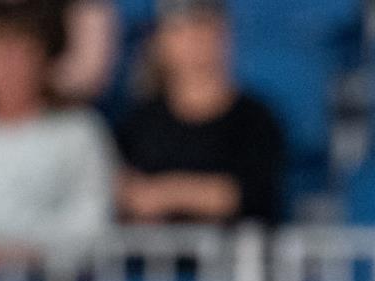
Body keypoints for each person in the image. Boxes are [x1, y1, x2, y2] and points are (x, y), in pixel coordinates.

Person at [0, 2, 114, 250]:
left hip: (51, 273)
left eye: (19, 56)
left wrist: (30, 250)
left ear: (42, 60)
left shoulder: (78, 131)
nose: (7, 69)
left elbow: (90, 214)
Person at [115, 0, 284, 226]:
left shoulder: (256, 119)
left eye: (203, 26)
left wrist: (165, 193)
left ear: (224, 34)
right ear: (159, 40)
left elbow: (250, 194)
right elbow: (129, 195)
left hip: (237, 246)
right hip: (155, 247)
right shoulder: (138, 123)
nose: (194, 39)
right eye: (180, 29)